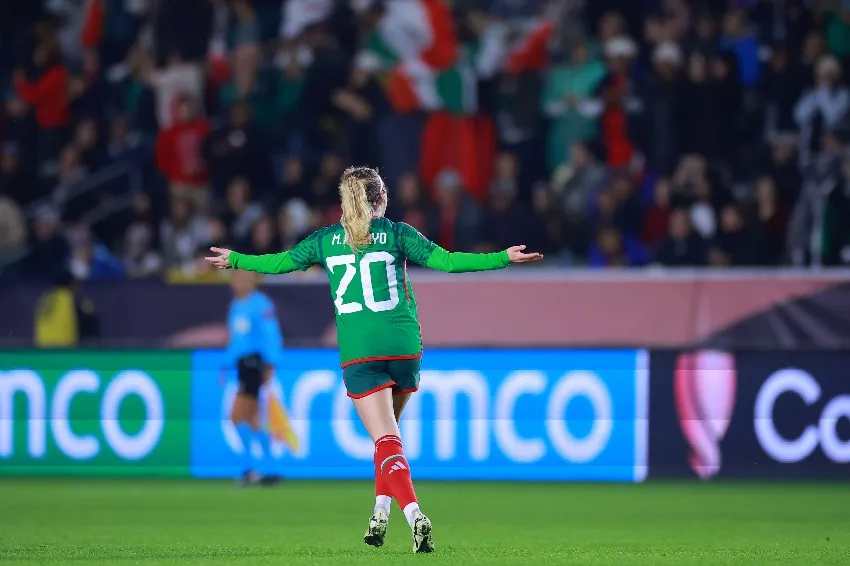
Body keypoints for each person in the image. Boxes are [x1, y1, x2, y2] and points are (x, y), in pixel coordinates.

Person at [205, 166, 542, 553]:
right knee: (389, 439)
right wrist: (501, 257)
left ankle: (414, 514)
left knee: (384, 439)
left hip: (360, 353)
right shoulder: (397, 233)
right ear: (381, 198)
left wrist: (237, 259)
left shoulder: (325, 240)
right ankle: (379, 513)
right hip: (404, 348)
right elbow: (447, 262)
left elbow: (279, 263)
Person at [224, 269, 285, 486]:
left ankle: (249, 468)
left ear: (252, 281)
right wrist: (226, 365)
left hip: (253, 364)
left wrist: (271, 363)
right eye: (236, 279)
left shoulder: (261, 304)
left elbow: (272, 334)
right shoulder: (236, 306)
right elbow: (235, 340)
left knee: (236, 416)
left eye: (244, 279)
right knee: (254, 420)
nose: (239, 283)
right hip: (242, 365)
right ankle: (270, 469)